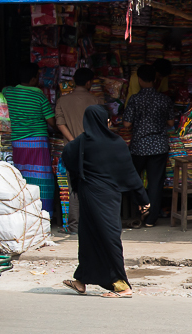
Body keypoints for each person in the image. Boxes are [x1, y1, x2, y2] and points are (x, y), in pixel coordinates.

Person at [61, 106, 150, 299]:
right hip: (108, 196)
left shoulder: (81, 143)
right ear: (104, 121)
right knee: (90, 238)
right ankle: (81, 280)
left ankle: (123, 285)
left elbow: (67, 154)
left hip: (89, 195)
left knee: (105, 238)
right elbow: (130, 173)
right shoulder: (116, 143)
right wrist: (142, 199)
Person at [3, 63, 57, 220]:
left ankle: (23, 211)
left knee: (21, 174)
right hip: (37, 141)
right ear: (34, 78)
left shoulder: (8, 92)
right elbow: (51, 122)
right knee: (42, 176)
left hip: (18, 141)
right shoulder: (38, 95)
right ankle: (43, 213)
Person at [122, 64, 172, 227]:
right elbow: (171, 122)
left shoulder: (135, 99)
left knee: (132, 180)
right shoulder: (163, 99)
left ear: (140, 80)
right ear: (155, 79)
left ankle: (142, 207)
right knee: (156, 183)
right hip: (159, 146)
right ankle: (151, 219)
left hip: (140, 146)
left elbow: (127, 124)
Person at [54, 67, 100, 233]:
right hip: (93, 149)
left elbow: (60, 124)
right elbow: (102, 126)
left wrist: (74, 142)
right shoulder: (95, 101)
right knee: (95, 186)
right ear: (89, 83)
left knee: (75, 188)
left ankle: (74, 226)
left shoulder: (62, 101)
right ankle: (95, 225)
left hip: (71, 150)